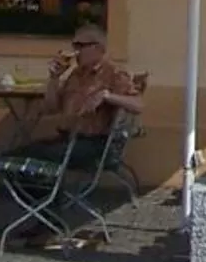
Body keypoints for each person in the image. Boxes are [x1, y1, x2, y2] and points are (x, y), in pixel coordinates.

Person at [21, 23, 143, 167]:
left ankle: (45, 189)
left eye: (81, 46)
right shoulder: (76, 74)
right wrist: (54, 78)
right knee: (17, 155)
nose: (76, 52)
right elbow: (50, 108)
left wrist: (107, 96)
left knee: (36, 157)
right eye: (74, 46)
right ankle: (39, 190)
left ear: (98, 48)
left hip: (93, 143)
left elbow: (138, 105)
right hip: (67, 138)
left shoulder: (114, 73)